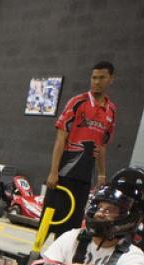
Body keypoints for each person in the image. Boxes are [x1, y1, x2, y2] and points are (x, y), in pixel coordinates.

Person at [45, 61, 117, 237]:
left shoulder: (111, 111)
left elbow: (102, 146)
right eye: (94, 77)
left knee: (71, 225)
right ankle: (36, 252)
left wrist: (101, 174)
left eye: (102, 78)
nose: (97, 82)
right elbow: (60, 138)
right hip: (64, 173)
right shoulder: (77, 102)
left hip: (84, 177)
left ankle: (60, 260)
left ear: (111, 79)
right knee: (49, 218)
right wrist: (53, 172)